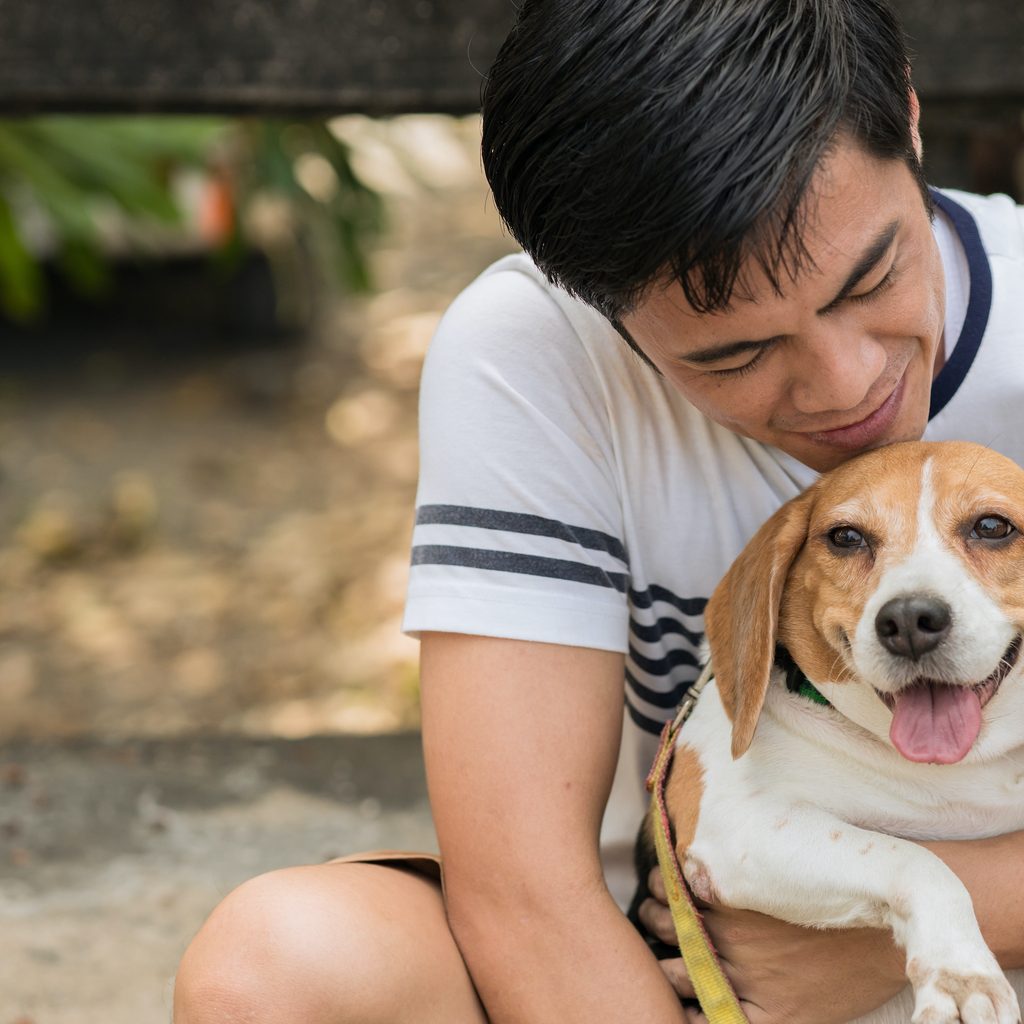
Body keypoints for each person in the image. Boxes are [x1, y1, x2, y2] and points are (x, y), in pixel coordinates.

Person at [172, 1, 1024, 1022]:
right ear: (598, 300)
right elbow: (527, 892)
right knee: (273, 966)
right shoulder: (533, 355)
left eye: (871, 278)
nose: (844, 382)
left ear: (912, 125)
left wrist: (889, 942)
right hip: (648, 958)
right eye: (735, 354)